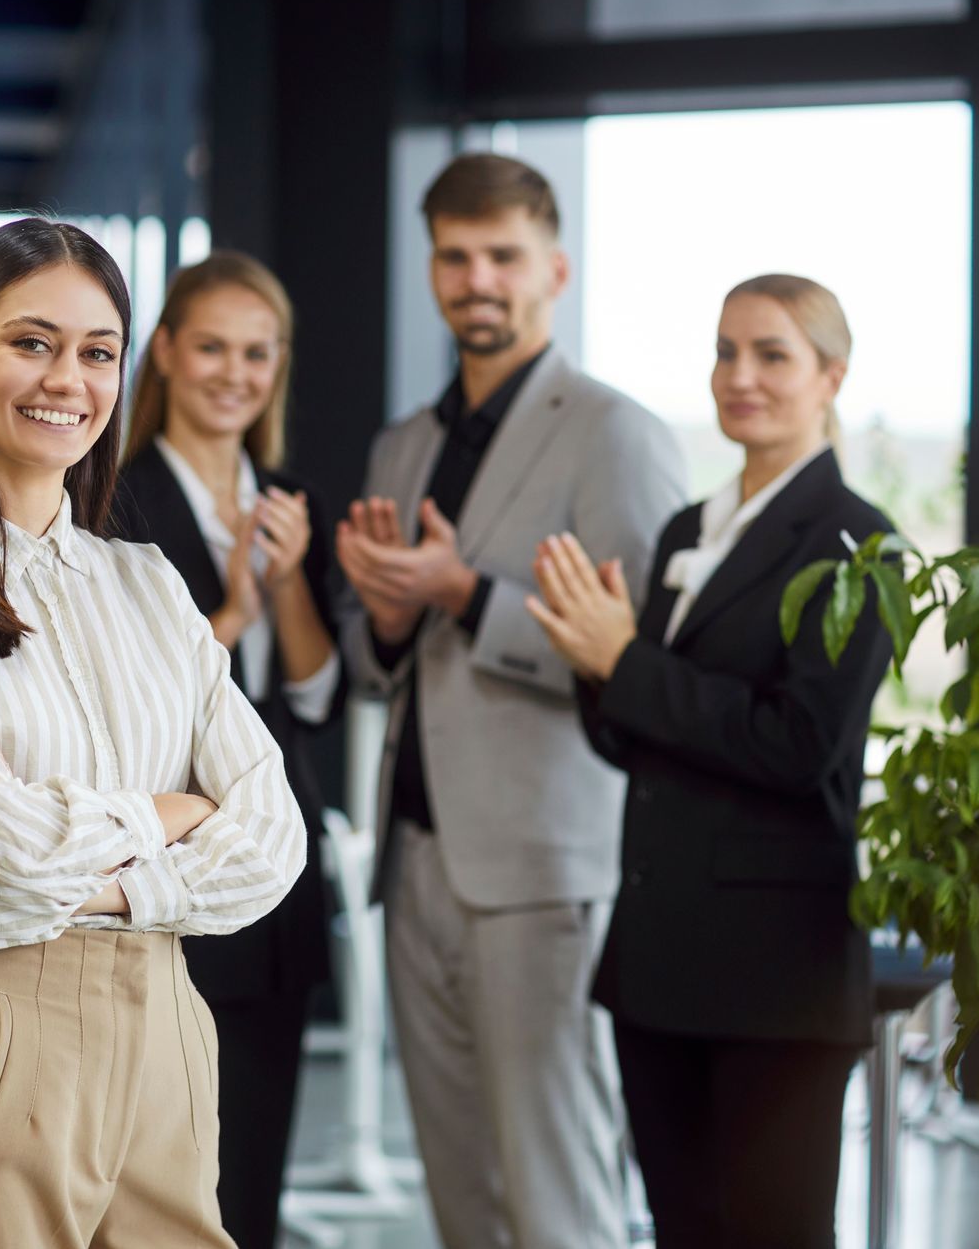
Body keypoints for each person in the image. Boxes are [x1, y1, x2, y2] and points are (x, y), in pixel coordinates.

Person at [0, 217, 306, 1247]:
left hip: (170, 1026)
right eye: (32, 342)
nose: (68, 378)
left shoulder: (148, 583)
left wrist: (94, 869)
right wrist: (169, 813)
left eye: (98, 352)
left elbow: (273, 839)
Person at [334, 153, 685, 1249]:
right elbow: (370, 656)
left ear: (557, 268)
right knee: (461, 1197)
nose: (475, 278)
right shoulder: (406, 442)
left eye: (503, 256)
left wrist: (468, 595)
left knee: (554, 1196)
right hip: (421, 858)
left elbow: (644, 659)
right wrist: (390, 617)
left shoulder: (616, 432)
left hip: (542, 865)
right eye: (454, 255)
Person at [526, 274, 893, 1249]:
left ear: (831, 376)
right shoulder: (690, 527)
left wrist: (627, 660)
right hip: (657, 963)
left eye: (772, 354)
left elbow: (799, 742)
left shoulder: (862, 543)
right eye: (727, 350)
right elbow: (631, 742)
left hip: (776, 977)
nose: (741, 375)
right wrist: (592, 666)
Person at [110, 250, 342, 1249]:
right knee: (160, 1171)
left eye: (258, 352)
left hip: (271, 876)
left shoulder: (287, 495)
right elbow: (123, 705)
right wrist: (237, 602)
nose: (234, 372)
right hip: (162, 874)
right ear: (166, 350)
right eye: (211, 346)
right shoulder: (113, 499)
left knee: (252, 1170)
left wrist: (285, 584)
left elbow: (317, 693)